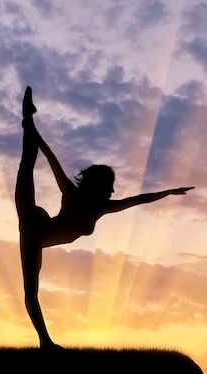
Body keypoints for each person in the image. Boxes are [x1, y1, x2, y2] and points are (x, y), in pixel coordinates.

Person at [17, 86, 194, 348]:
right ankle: (45, 342)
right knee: (27, 165)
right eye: (109, 185)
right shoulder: (73, 194)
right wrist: (32, 131)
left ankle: (28, 119)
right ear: (99, 186)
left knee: (27, 164)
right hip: (33, 231)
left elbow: (138, 200)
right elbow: (50, 157)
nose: (113, 190)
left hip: (42, 227)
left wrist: (168, 192)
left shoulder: (102, 207)